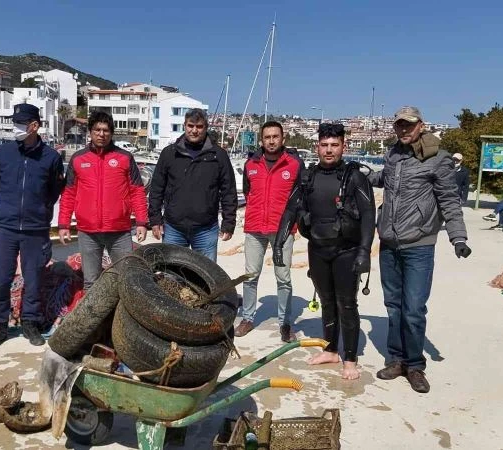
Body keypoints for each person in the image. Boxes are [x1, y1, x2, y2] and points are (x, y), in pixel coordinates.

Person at [368, 106, 472, 393]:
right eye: (399, 125)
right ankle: (397, 359)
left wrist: (458, 238)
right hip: (389, 243)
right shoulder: (393, 154)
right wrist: (358, 175)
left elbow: (450, 200)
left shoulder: (439, 159)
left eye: (409, 125)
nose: (404, 130)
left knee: (413, 309)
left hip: (419, 245)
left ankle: (415, 365)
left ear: (421, 126)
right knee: (393, 306)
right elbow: (383, 178)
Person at [273, 123, 375, 380]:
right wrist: (278, 242)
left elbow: (368, 214)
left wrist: (364, 252)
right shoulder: (308, 177)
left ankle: (350, 359)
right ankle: (330, 349)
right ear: (317, 146)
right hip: (318, 249)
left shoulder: (355, 177)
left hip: (346, 250)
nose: (329, 150)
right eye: (324, 145)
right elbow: (290, 210)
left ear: (343, 146)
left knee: (347, 303)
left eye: (334, 145)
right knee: (327, 302)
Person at [0, 103, 65, 349]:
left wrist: (37, 211)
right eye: (15, 122)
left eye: (21, 123)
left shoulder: (51, 158)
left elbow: (53, 192)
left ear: (34, 126)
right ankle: (0, 325)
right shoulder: (2, 153)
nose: (16, 127)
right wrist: (9, 209)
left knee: (34, 279)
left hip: (35, 229)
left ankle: (30, 322)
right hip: (5, 227)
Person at [58, 111, 148, 290]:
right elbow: (68, 194)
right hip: (87, 231)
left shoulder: (124, 158)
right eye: (97, 130)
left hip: (119, 230)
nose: (101, 134)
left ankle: (122, 318)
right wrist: (63, 225)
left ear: (112, 133)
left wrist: (141, 222)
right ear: (90, 132)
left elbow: (137, 191)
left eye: (106, 130)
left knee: (126, 280)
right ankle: (94, 318)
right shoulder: (78, 159)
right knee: (91, 282)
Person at [235, 121, 304, 342]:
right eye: (267, 137)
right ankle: (247, 317)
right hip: (255, 228)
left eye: (275, 136)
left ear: (283, 139)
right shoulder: (250, 164)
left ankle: (285, 323)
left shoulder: (294, 164)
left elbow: (300, 197)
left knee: (283, 278)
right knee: (250, 275)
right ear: (261, 140)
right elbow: (248, 192)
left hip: (282, 230)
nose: (271, 141)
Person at [148, 108, 238, 261]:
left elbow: (228, 191)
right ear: (185, 126)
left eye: (199, 127)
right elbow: (156, 189)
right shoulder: (169, 153)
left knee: (205, 278)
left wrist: (229, 222)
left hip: (206, 229)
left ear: (206, 128)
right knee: (172, 276)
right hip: (173, 228)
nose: (194, 130)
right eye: (190, 126)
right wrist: (155, 220)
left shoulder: (218, 155)